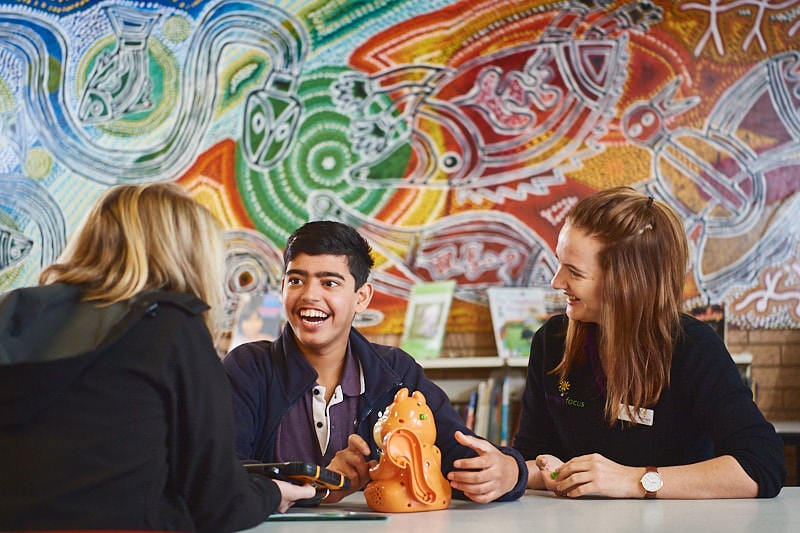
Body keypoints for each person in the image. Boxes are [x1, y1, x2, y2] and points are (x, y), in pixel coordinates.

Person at [0, 182, 314, 532]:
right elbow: (219, 504)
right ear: (189, 254)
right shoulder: (170, 326)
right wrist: (271, 493)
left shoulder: (12, 313)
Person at [223, 220, 528, 504]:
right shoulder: (248, 367)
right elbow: (223, 471)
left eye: (329, 283)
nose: (309, 295)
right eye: (296, 280)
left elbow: (458, 457)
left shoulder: (396, 372)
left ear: (361, 297)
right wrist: (320, 483)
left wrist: (509, 471)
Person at [512, 186, 786, 499]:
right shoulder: (552, 341)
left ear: (627, 283)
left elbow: (762, 465)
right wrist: (511, 471)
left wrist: (633, 481)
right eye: (559, 263)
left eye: (574, 272)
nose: (556, 282)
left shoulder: (693, 347)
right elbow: (534, 456)